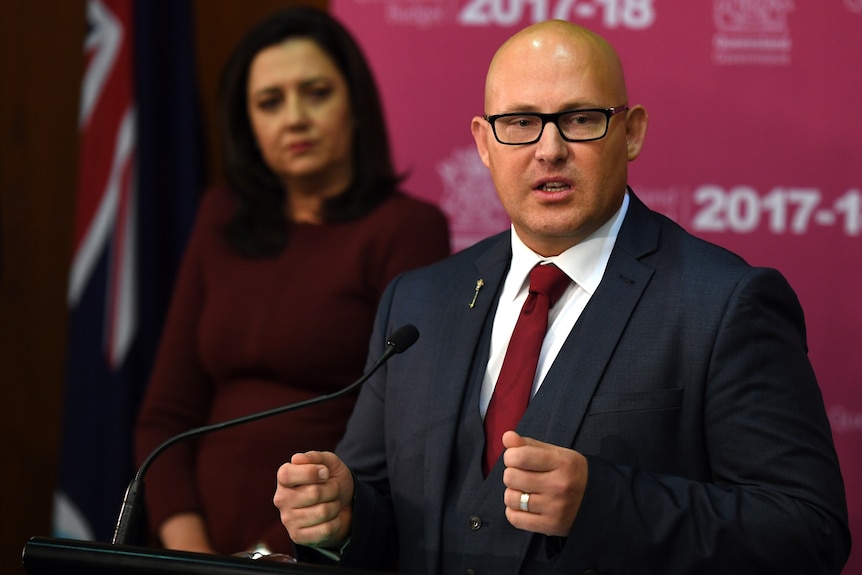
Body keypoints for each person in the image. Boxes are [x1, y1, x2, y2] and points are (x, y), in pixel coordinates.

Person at [272, 19, 851, 574]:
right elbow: (386, 517)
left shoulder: (723, 303)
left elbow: (809, 532)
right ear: (483, 143)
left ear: (632, 133)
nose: (549, 150)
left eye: (579, 119)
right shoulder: (418, 304)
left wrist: (605, 504)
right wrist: (340, 522)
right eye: (520, 123)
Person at [134, 7, 450, 556]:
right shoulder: (219, 218)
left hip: (319, 545)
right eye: (270, 102)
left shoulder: (406, 229)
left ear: (354, 106)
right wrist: (190, 555)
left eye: (317, 92)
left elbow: (398, 435)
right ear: (248, 127)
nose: (295, 118)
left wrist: (272, 555)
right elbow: (166, 415)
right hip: (190, 548)